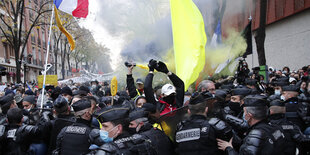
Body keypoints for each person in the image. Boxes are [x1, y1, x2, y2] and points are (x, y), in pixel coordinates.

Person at [217, 95, 285, 155]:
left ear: (249, 116)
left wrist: (228, 148)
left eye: (244, 112)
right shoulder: (275, 127)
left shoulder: (257, 133)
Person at [89, 106, 156, 154]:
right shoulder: (143, 140)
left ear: (118, 128)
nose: (101, 129)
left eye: (105, 126)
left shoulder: (108, 150)